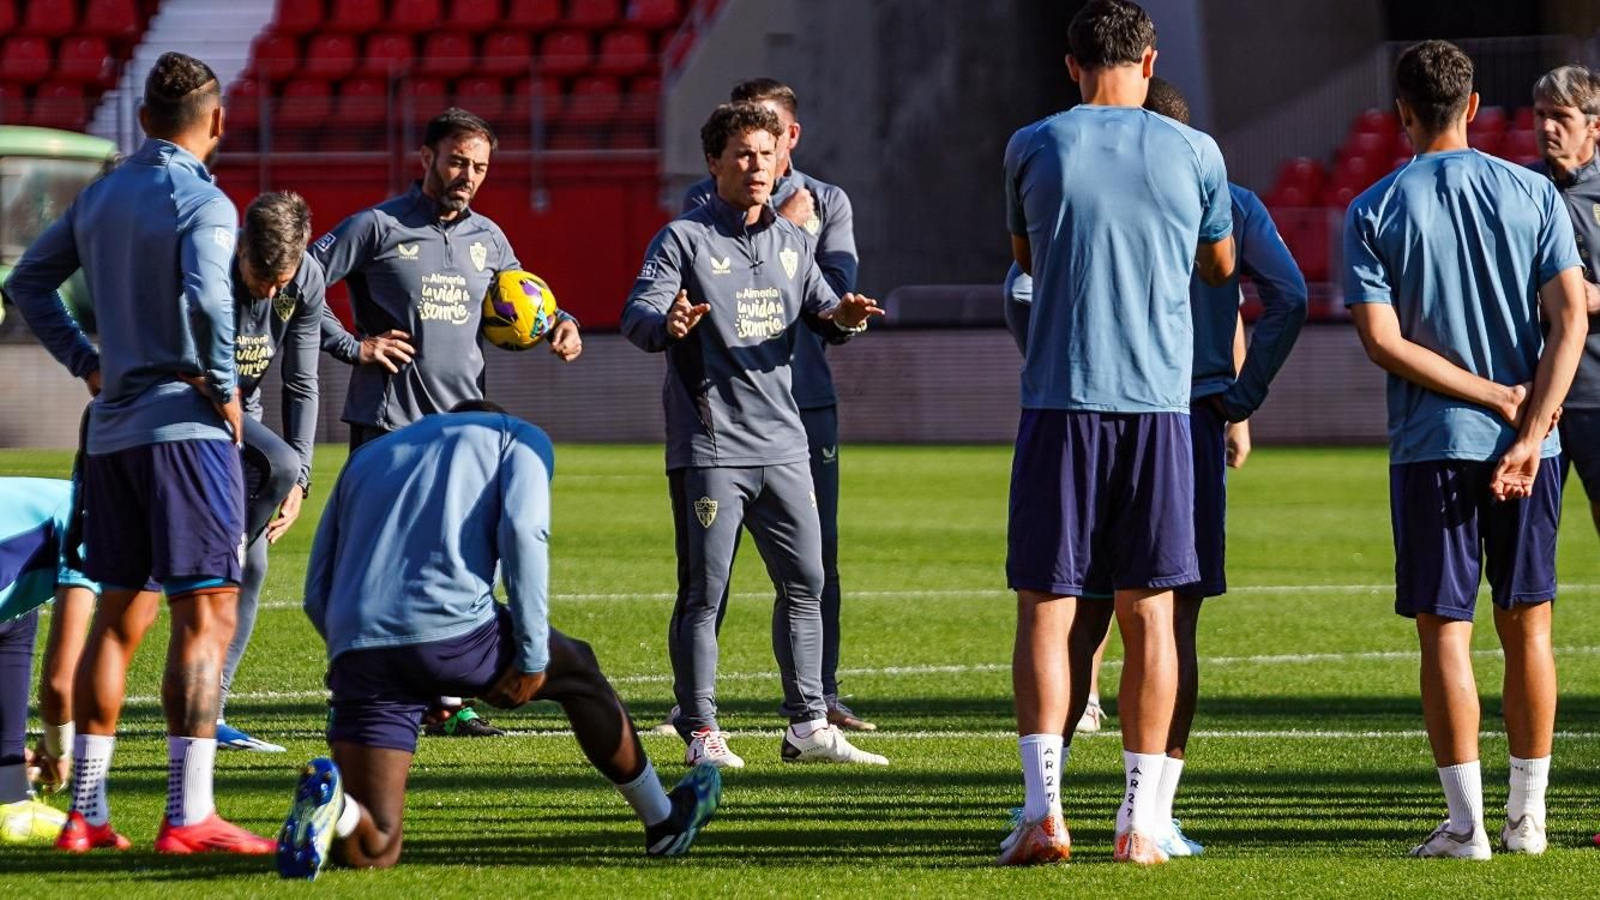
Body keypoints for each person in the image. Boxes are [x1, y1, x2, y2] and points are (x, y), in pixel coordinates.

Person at [3, 51, 274, 855]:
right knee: (208, 614)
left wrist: (87, 361)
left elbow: (26, 284)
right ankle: (189, 816)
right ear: (217, 122)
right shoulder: (207, 201)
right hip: (184, 433)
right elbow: (206, 294)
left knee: (117, 619)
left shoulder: (100, 195)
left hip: (111, 436)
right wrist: (225, 385)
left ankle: (87, 812)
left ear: (145, 121)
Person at [276, 403, 721, 879]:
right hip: (455, 633)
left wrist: (352, 654)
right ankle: (663, 820)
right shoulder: (516, 436)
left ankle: (335, 810)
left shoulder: (367, 456)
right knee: (578, 669)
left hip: (359, 647)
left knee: (374, 845)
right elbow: (524, 533)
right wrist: (531, 657)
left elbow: (315, 591)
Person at [998, 0, 1235, 866]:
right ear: (1149, 57)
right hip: (1160, 408)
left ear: (1069, 64)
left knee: (1048, 609)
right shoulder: (1195, 149)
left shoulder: (1033, 144)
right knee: (1154, 614)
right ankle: (1140, 821)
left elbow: (1026, 257)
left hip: (1061, 400)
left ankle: (1043, 813)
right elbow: (1220, 264)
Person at [1345, 40, 1586, 859]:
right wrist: (1530, 429)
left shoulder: (1375, 207)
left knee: (1446, 634)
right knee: (1531, 631)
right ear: (1476, 105)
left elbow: (1381, 342)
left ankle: (1467, 826)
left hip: (1431, 447)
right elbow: (1571, 321)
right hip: (1532, 454)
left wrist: (1487, 400)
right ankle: (1530, 822)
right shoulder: (1530, 192)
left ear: (1403, 113)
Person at [1060, 75, 1307, 860]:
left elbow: (1023, 283)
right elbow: (1289, 295)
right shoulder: (1221, 193)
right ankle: (1153, 812)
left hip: (1088, 405)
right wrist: (1242, 395)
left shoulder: (1079, 181)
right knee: (1175, 615)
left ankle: (1046, 803)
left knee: (1078, 616)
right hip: (1187, 419)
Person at [622, 101, 887, 770]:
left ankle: (807, 723)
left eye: (765, 154)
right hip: (713, 448)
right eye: (742, 154)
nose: (756, 166)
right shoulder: (681, 241)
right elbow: (638, 315)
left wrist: (847, 317)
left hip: (785, 446)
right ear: (714, 163)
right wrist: (669, 324)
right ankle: (703, 731)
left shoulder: (793, 242)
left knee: (806, 584)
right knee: (704, 594)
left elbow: (825, 311)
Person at [313, 107, 583, 738]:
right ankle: (354, 689)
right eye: (458, 161)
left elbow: (527, 300)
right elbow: (298, 285)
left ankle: (448, 701)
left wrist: (561, 322)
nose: (468, 176)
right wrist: (357, 346)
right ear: (427, 158)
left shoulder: (490, 237)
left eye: (480, 167)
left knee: (466, 562)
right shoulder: (376, 227)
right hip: (390, 426)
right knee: (371, 565)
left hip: (468, 429)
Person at [674, 78, 872, 732]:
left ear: (791, 136)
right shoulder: (701, 205)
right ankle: (695, 709)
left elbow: (834, 294)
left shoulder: (829, 202)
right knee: (710, 568)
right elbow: (669, 301)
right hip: (719, 416)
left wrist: (800, 246)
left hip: (802, 401)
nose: (762, 155)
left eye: (774, 136)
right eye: (747, 142)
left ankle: (821, 697)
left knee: (817, 558)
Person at [215, 191, 328, 753]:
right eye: (263, 278)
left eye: (283, 279)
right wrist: (286, 468)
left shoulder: (305, 279)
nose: (274, 291)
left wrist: (302, 478)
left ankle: (210, 711)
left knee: (253, 570)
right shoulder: (208, 269)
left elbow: (302, 382)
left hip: (248, 416)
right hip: (192, 410)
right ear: (241, 251)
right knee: (275, 464)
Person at [0, 478, 95, 844]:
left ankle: (9, 798)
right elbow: (59, 680)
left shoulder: (78, 502)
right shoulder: (95, 523)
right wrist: (59, 750)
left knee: (18, 618)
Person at [1529, 67, 1600, 542]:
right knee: (1527, 534)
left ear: (1594, 124)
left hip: (1598, 392)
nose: (1546, 126)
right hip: (1534, 393)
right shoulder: (1520, 190)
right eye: (1539, 115)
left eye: (1560, 116)